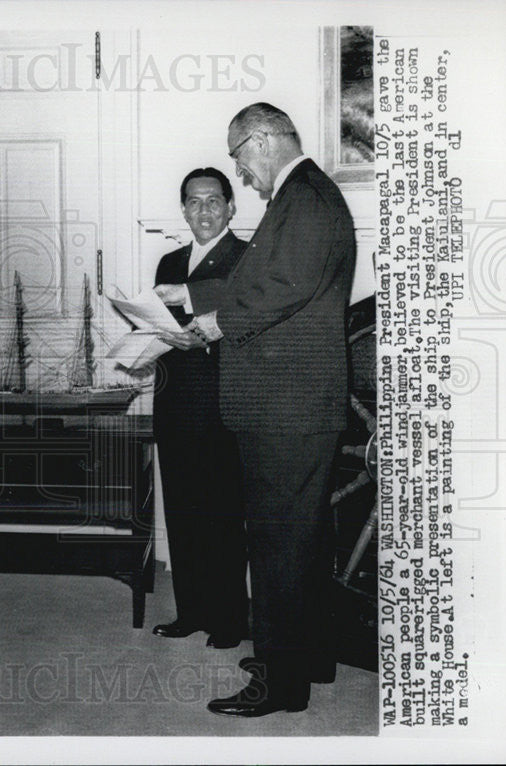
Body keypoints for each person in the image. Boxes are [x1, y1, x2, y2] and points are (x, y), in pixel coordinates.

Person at [162, 103, 356, 717]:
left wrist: (214, 320)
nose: (240, 175)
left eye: (239, 158)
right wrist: (190, 291)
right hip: (292, 407)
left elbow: (285, 287)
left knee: (279, 547)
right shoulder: (304, 197)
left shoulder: (304, 198)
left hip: (287, 410)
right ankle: (305, 657)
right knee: (300, 541)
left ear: (264, 139)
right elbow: (265, 277)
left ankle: (280, 683)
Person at [149, 168, 249, 649]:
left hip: (223, 406)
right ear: (183, 209)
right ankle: (190, 610)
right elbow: (162, 330)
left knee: (224, 516)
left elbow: (249, 331)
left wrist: (200, 343)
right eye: (194, 201)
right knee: (184, 513)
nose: (204, 210)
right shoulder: (169, 263)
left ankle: (230, 620)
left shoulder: (248, 260)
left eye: (214, 201)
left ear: (232, 207)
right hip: (174, 404)